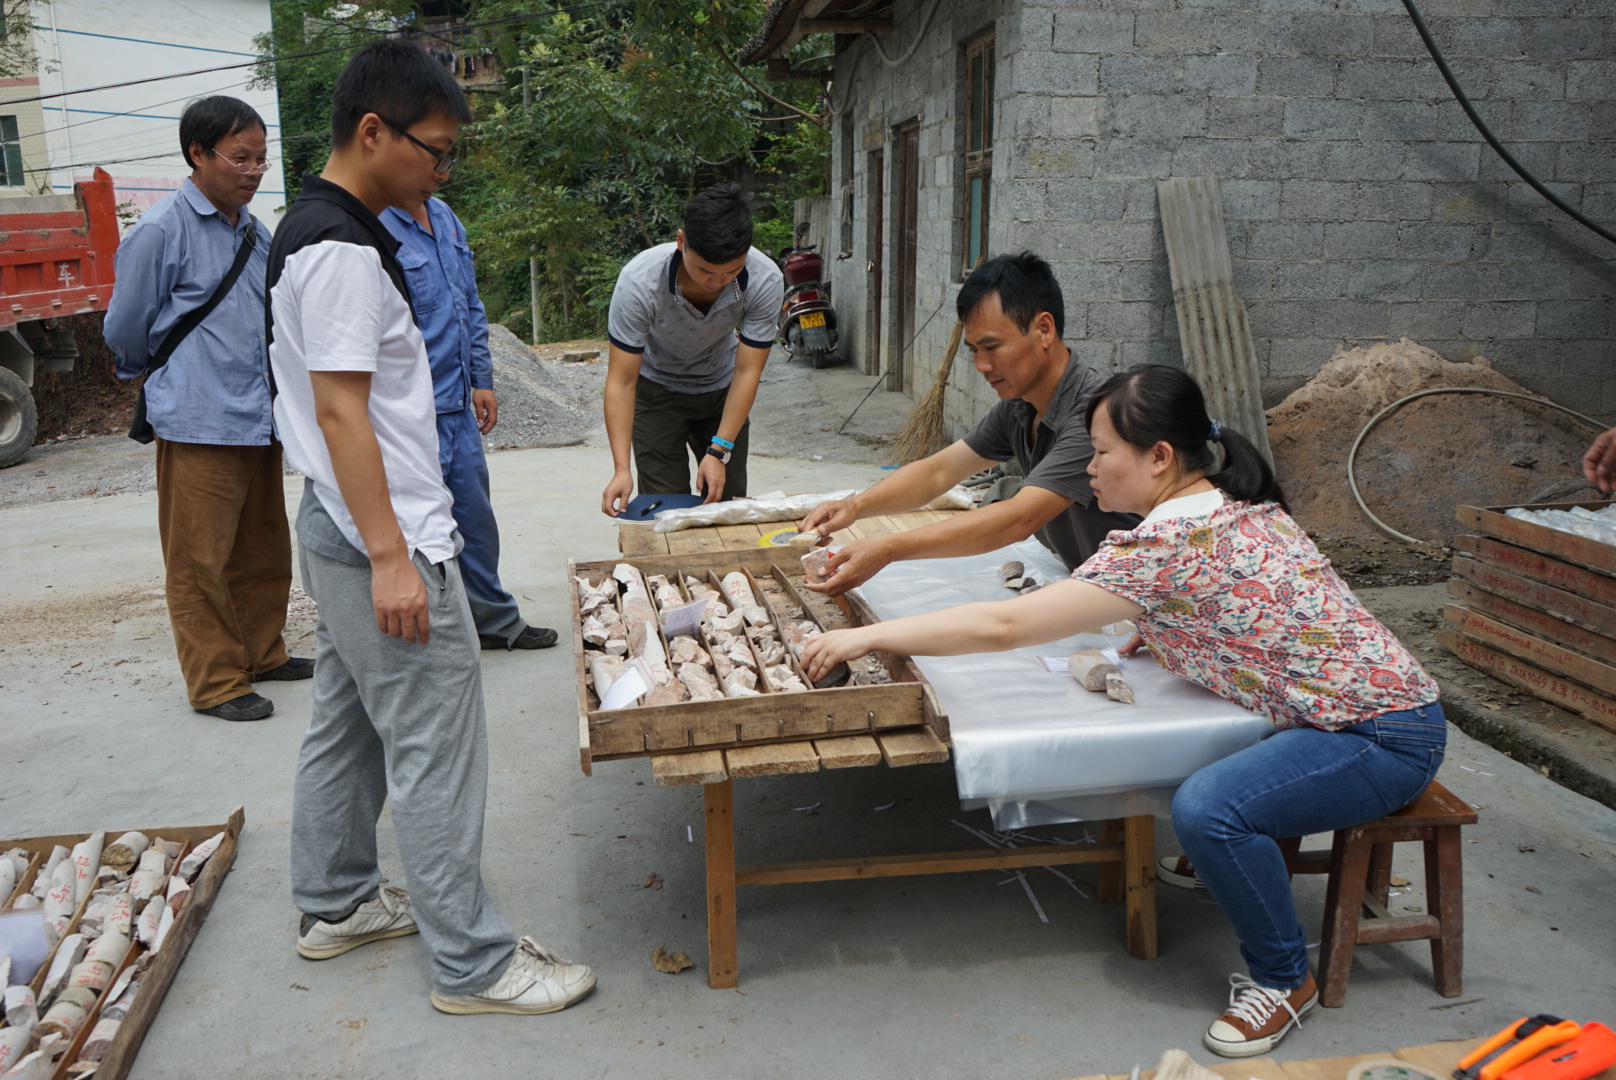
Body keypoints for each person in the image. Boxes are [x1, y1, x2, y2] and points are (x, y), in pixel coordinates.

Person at [801, 365, 1444, 1059]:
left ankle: (1286, 980)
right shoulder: (1232, 504)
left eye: (1103, 452)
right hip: (1366, 710)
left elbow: (1004, 628)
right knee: (1204, 770)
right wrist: (1175, 631)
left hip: (1382, 735)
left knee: (1209, 809)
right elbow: (1244, 607)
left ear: (1159, 457)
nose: (1091, 469)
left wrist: (868, 635)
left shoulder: (1165, 545)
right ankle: (1240, 861)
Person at [267, 39, 594, 1016]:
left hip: (338, 520)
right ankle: (473, 965)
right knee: (435, 745)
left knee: (348, 722)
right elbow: (339, 414)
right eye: (434, 149)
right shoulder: (338, 250)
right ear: (374, 132)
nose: (442, 171)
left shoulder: (321, 227)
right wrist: (392, 559)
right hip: (381, 535)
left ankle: (335, 904)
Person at [105, 95, 312, 722]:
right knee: (200, 560)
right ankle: (217, 681)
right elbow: (125, 330)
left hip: (257, 416)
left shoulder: (255, 229)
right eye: (240, 158)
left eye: (260, 159)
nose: (253, 171)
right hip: (198, 419)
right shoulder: (161, 231)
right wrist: (173, 378)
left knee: (264, 548)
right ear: (197, 154)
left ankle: (262, 652)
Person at [799, 252, 1137, 596]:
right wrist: (855, 506)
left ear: (1044, 330)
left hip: (1143, 598)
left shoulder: (1095, 414)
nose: (982, 365)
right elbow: (939, 472)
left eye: (992, 347)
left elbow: (1020, 518)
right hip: (1098, 588)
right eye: (974, 350)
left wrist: (889, 548)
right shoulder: (1019, 406)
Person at [379, 195, 557, 651]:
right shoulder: (374, 221)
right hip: (410, 411)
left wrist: (482, 377)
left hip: (458, 402)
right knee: (420, 528)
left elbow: (469, 303)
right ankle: (430, 632)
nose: (442, 168)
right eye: (434, 154)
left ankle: (494, 621)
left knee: (476, 521)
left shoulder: (444, 216)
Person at [599, 183, 784, 515]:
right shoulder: (639, 282)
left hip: (723, 392)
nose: (717, 282)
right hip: (657, 394)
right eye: (705, 271)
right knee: (664, 511)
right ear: (681, 241)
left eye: (732, 271)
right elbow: (622, 381)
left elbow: (748, 370)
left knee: (725, 507)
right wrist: (621, 468)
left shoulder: (764, 278)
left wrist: (719, 450)